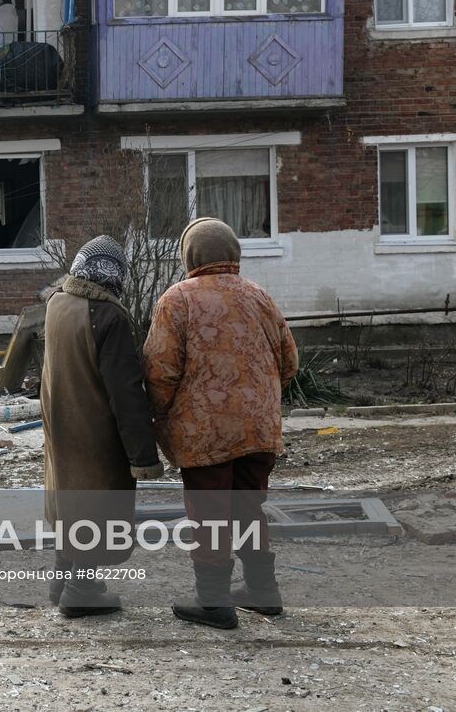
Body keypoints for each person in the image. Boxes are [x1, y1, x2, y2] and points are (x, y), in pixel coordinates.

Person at [143, 218, 299, 630]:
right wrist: (259, 399)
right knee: (249, 507)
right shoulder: (260, 296)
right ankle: (263, 591)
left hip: (205, 432)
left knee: (210, 512)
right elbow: (289, 362)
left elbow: (160, 371)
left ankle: (213, 601)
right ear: (233, 253)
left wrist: (160, 417)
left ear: (190, 255)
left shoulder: (178, 300)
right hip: (260, 429)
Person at [42, 236, 164, 617]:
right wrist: (143, 456)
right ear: (115, 275)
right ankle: (81, 590)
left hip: (61, 425)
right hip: (95, 429)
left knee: (69, 502)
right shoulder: (108, 315)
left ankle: (64, 579)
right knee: (95, 506)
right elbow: (126, 393)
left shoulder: (58, 302)